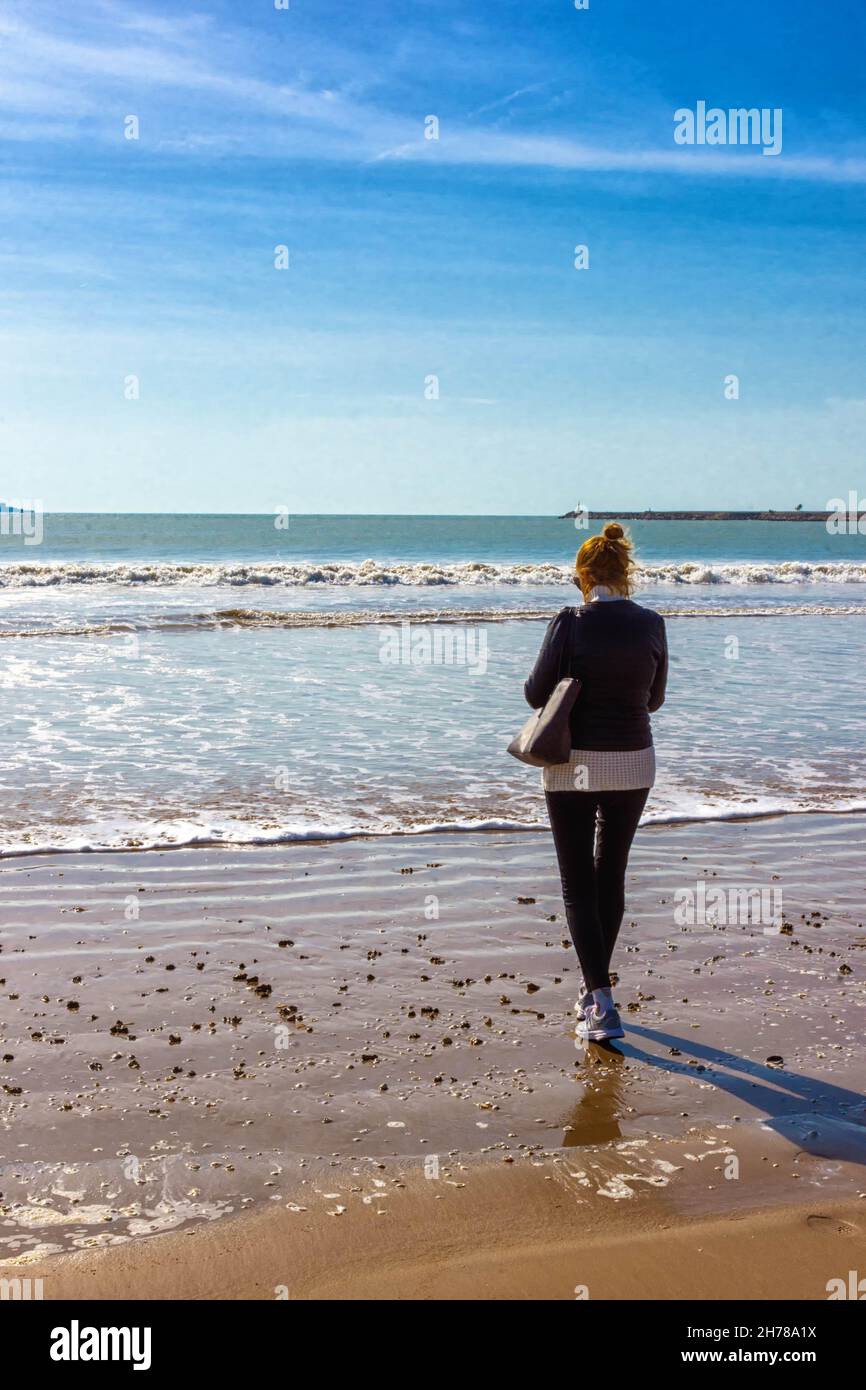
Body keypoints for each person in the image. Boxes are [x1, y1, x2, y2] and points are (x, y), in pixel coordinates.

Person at [523, 522, 667, 1042]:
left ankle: (601, 1003)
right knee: (611, 877)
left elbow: (536, 693)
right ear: (625, 573)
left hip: (572, 764)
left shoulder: (569, 621)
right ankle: (595, 993)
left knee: (577, 884)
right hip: (634, 762)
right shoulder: (652, 622)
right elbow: (653, 700)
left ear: (582, 574)